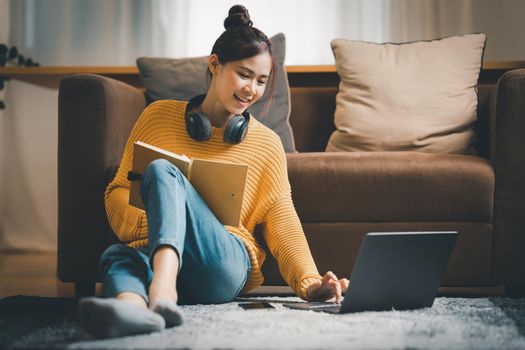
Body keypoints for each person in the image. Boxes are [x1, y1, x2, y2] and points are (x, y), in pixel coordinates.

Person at [79, 4, 349, 339]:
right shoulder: (156, 117)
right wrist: (167, 222)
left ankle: (162, 293)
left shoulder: (266, 144)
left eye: (261, 81)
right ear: (214, 65)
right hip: (161, 251)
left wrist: (309, 282)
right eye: (244, 74)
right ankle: (133, 310)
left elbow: (282, 217)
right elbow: (118, 190)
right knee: (118, 255)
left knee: (163, 169)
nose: (252, 89)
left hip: (222, 266)